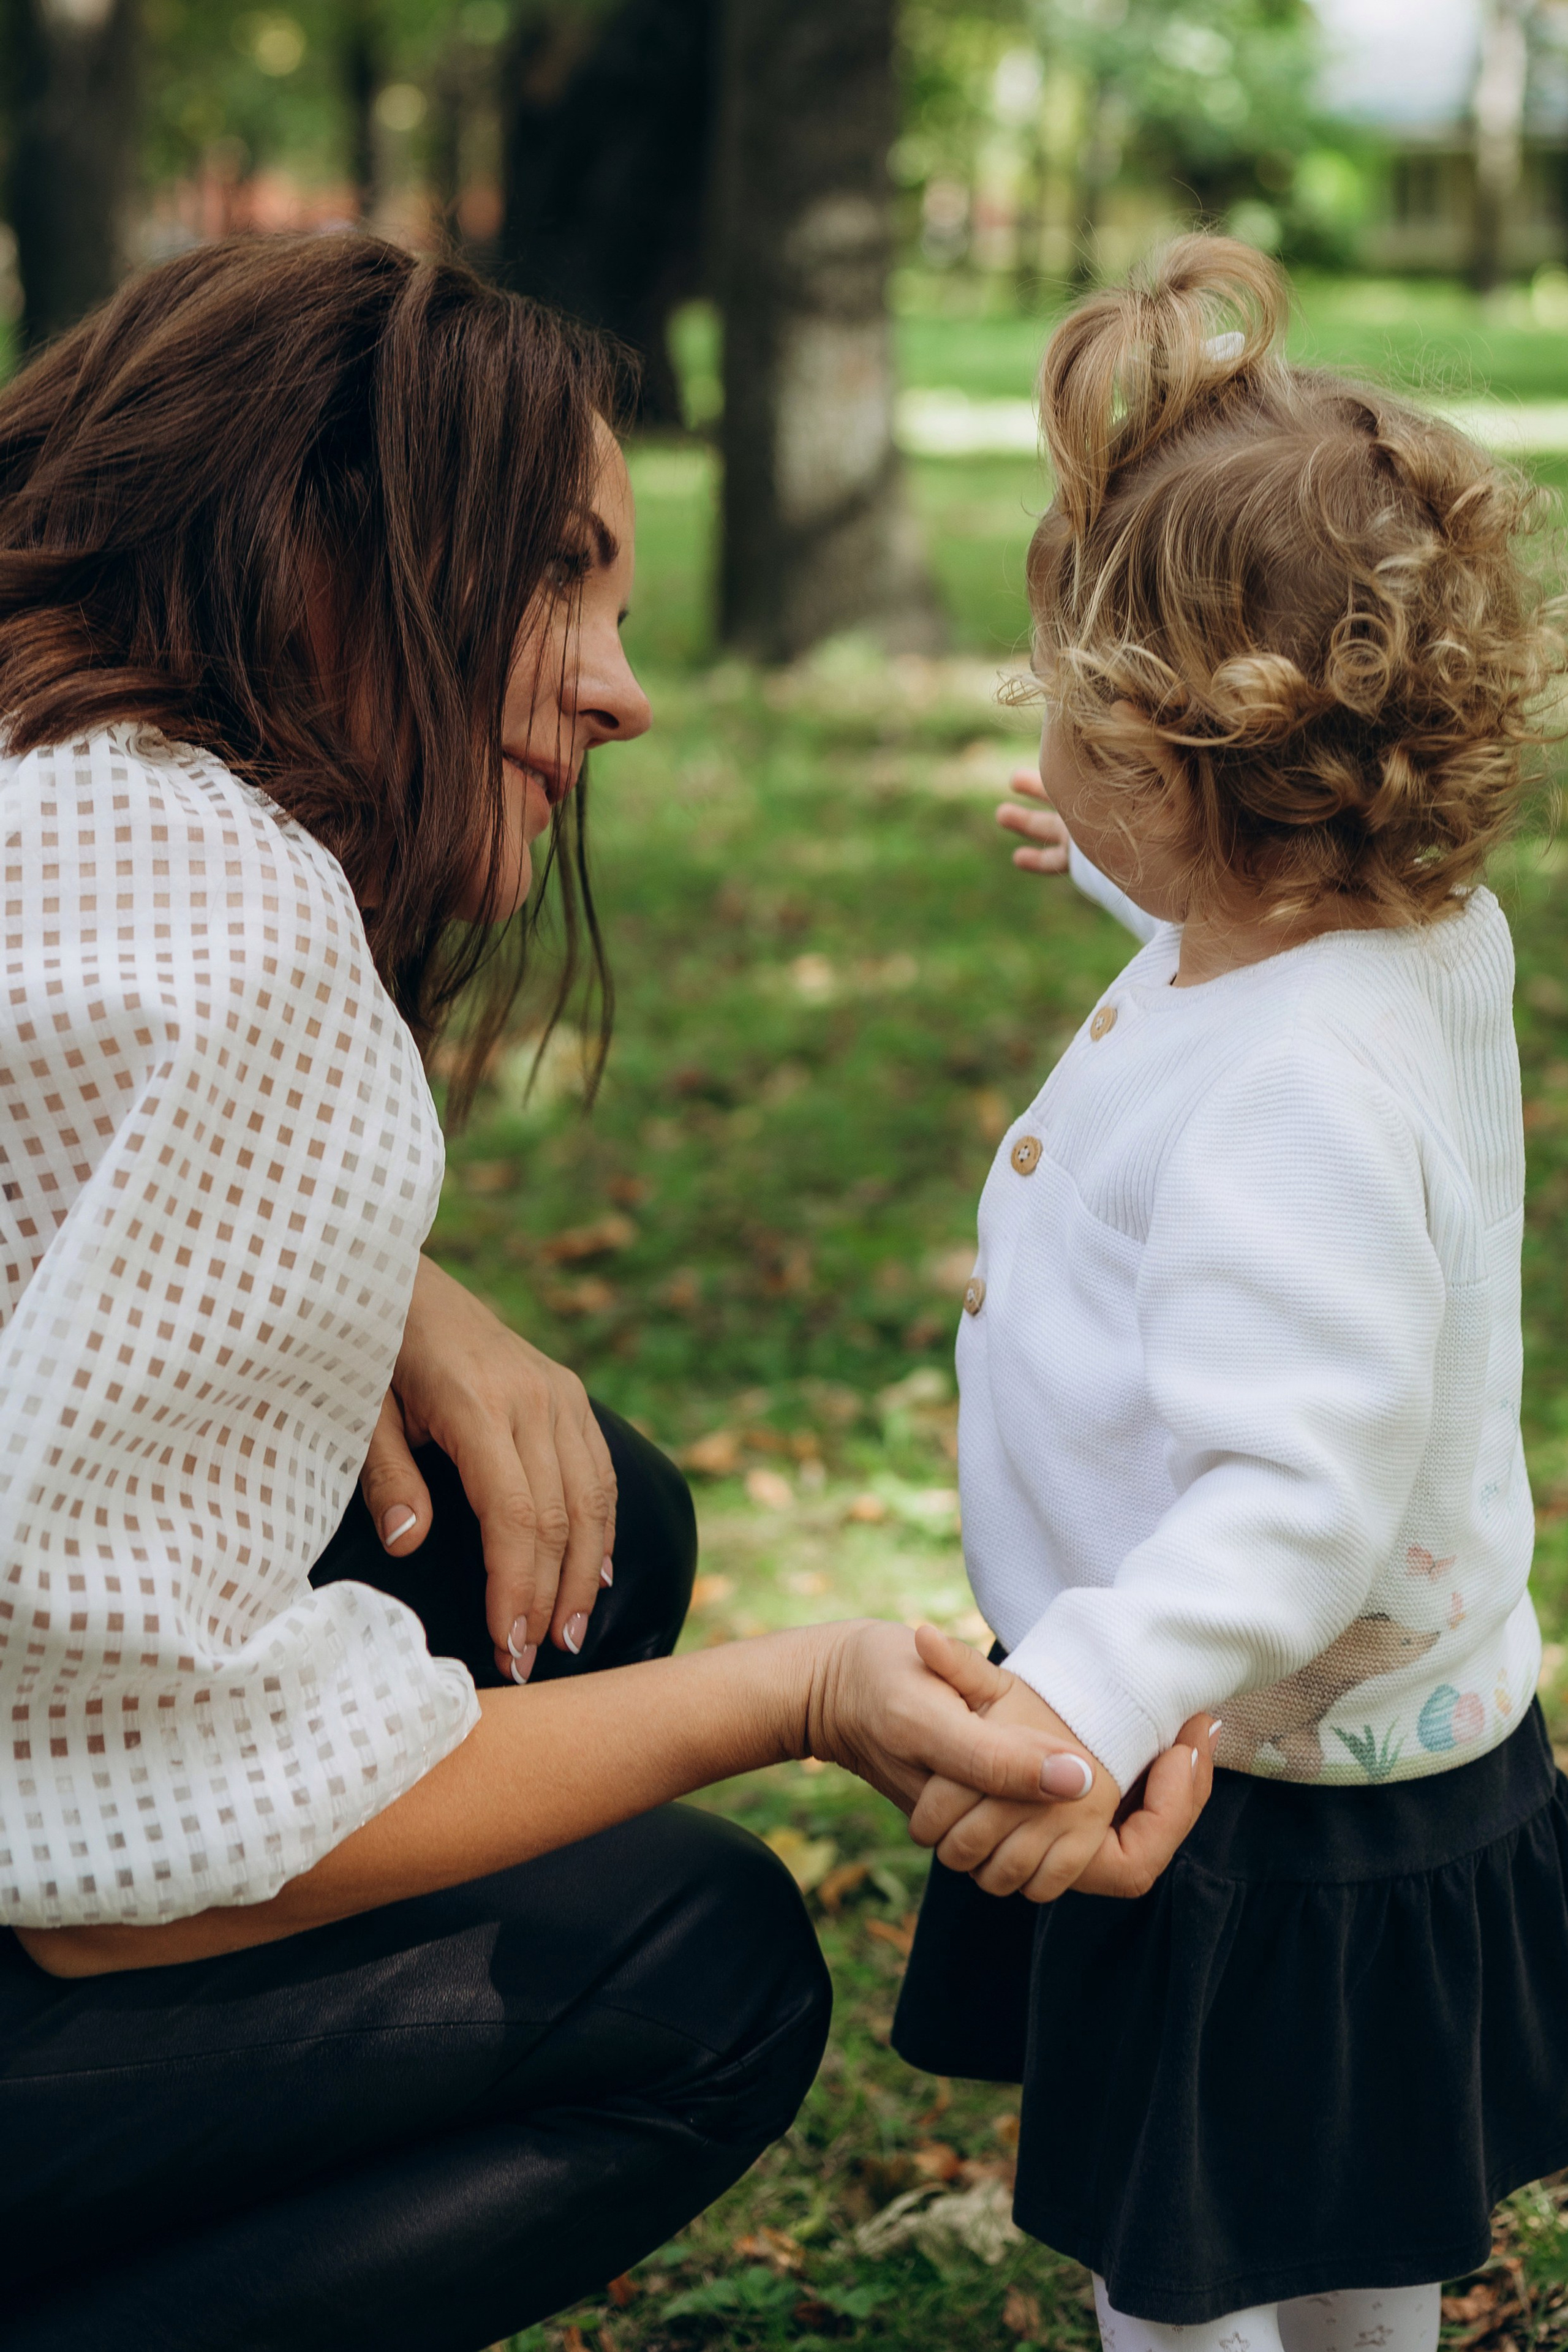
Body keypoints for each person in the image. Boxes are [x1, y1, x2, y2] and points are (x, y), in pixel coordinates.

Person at [0, 235, 1217, 2352]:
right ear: (313, 542)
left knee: (581, 1538)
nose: (622, 687)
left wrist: (404, 1290)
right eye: (557, 575)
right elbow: (131, 1864)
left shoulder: (70, 791)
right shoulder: (252, 960)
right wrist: (804, 1691)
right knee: (698, 1975)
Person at [891, 234, 1568, 2350]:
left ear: (1193, 765)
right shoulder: (1406, 939)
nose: (1053, 743)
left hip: (1220, 1758)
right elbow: (1277, 918)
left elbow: (1297, 1486)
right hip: (1386, 1739)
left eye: (1075, 721)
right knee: (1351, 2187)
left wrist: (1086, 1696)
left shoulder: (1292, 1093)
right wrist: (1121, 866)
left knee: (1181, 2247)